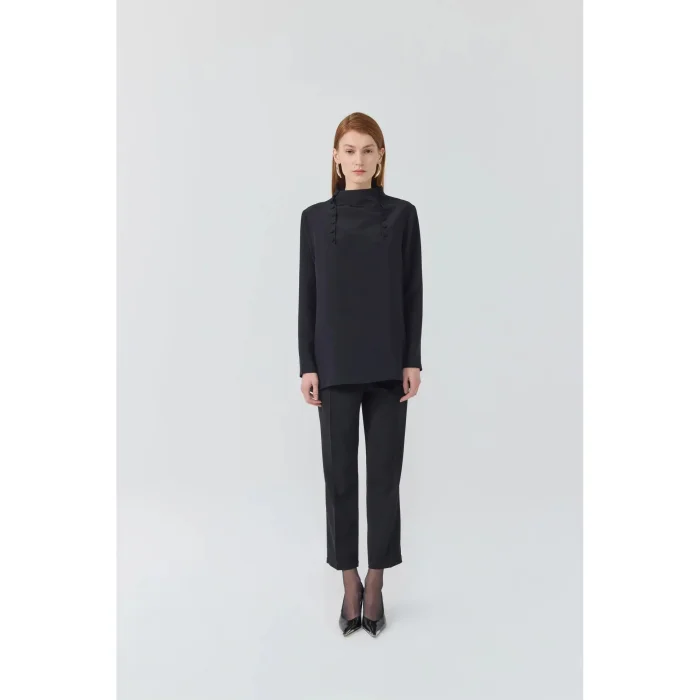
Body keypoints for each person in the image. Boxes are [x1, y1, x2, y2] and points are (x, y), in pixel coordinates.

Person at [297, 112, 423, 638]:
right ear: (335, 157)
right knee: (340, 477)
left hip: (389, 365)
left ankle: (376, 580)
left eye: (368, 150)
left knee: (384, 479)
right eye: (349, 150)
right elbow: (308, 295)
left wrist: (412, 358)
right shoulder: (313, 219)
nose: (359, 159)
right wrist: (307, 364)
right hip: (334, 365)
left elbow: (412, 291)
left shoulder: (402, 215)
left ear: (381, 157)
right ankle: (348, 580)